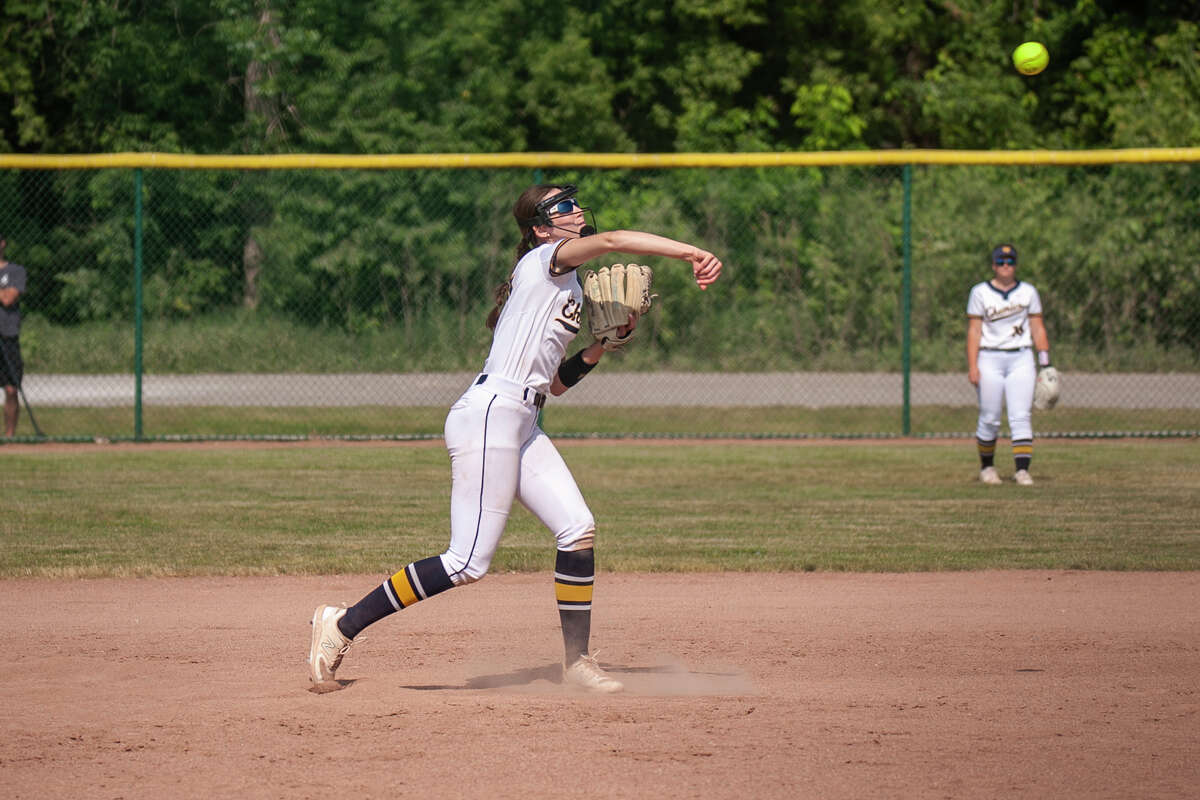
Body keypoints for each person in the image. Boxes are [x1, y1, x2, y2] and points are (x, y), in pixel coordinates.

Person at [308, 184, 723, 692]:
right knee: (466, 562)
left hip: (524, 421)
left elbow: (554, 385)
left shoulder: (568, 289)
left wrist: (597, 349)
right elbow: (613, 241)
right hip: (490, 416)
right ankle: (342, 623)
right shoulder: (544, 261)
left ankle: (577, 663)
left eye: (573, 203)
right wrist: (692, 253)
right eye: (562, 207)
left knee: (577, 529)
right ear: (540, 230)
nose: (575, 211)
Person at [966, 243, 1051, 486]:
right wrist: (973, 365)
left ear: (1016, 265)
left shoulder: (1028, 292)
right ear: (993, 265)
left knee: (1020, 415)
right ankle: (987, 467)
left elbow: (1037, 327)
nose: (1006, 266)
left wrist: (1045, 363)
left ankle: (1022, 470)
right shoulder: (980, 292)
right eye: (1001, 262)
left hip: (1021, 357)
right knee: (990, 416)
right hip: (989, 357)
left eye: (1010, 261)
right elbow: (974, 331)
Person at [0, 236, 28, 438]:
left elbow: (8, 299)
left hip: (7, 335)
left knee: (11, 389)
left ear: (2, 243)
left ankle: (9, 436)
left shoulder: (16, 271)